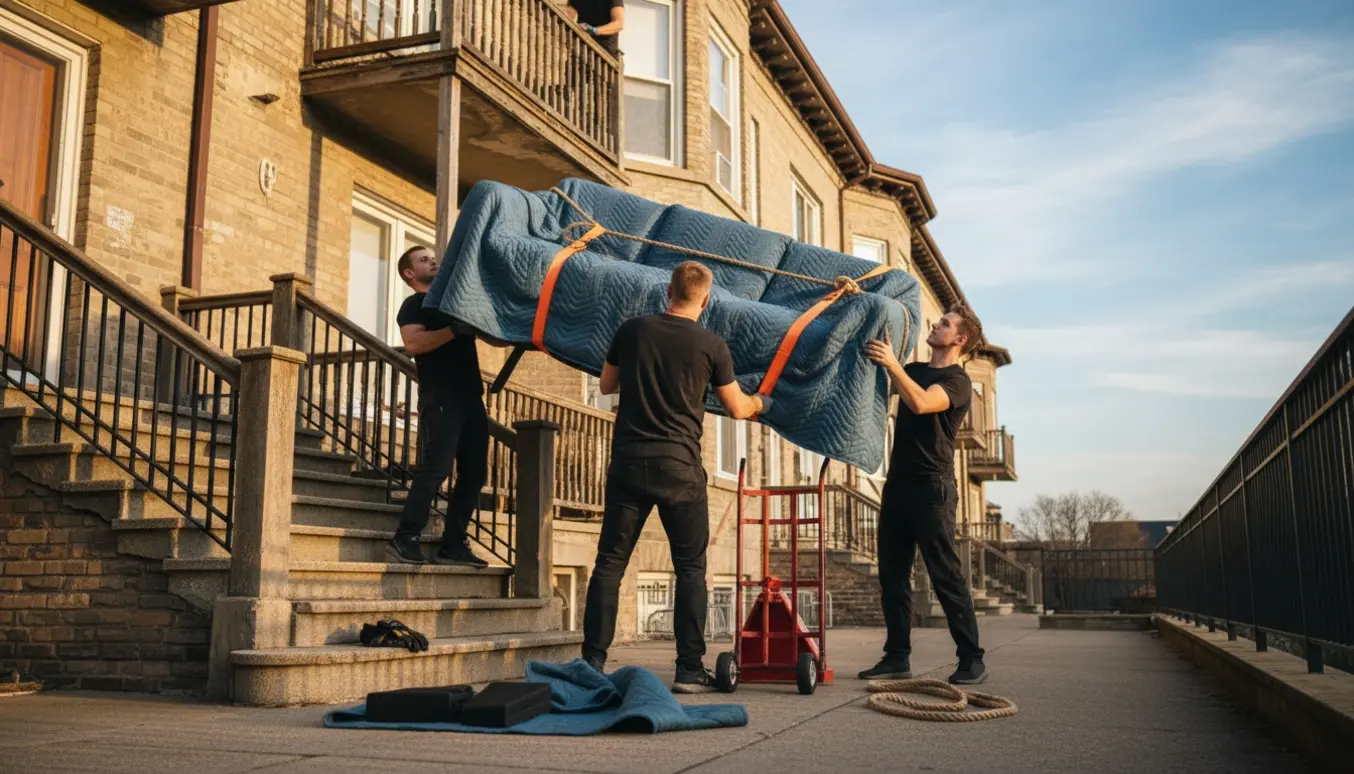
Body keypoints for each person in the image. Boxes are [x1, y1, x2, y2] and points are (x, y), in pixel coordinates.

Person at [581, 261, 767, 693]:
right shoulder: (712, 345)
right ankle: (687, 670)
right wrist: (762, 403)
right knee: (689, 568)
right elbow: (738, 408)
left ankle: (592, 662)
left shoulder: (632, 330)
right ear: (706, 299)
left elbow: (608, 385)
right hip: (680, 468)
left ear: (667, 291)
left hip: (629, 461)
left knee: (610, 563)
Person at [859, 307, 989, 685]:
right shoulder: (912, 370)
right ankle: (897, 657)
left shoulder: (957, 381)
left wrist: (892, 366)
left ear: (960, 340)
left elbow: (921, 402)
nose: (936, 325)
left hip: (933, 489)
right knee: (892, 576)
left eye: (945, 324)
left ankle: (972, 658)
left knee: (945, 575)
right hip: (898, 485)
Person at [385, 245, 496, 569]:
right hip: (441, 397)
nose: (432, 261)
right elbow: (414, 344)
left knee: (475, 473)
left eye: (433, 258)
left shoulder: (452, 304)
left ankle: (453, 545)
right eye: (423, 259)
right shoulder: (414, 304)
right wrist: (452, 331)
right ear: (409, 273)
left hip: (470, 397)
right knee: (436, 469)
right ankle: (405, 538)